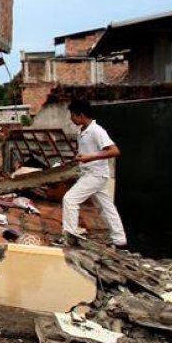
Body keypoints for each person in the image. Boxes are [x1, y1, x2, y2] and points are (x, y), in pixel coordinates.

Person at [63, 100, 127, 248]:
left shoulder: (97, 131)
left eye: (72, 115)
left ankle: (70, 234)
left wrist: (89, 157)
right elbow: (86, 152)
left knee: (70, 199)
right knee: (107, 207)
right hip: (90, 173)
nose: (71, 118)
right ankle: (120, 239)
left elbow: (114, 151)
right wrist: (80, 158)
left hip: (95, 174)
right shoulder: (82, 131)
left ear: (81, 115)